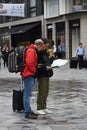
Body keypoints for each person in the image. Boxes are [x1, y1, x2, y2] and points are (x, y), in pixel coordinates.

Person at [21, 39, 43, 119]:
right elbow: (29, 63)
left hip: (28, 73)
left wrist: (36, 66)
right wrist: (34, 71)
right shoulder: (32, 51)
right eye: (41, 47)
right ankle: (27, 112)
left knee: (28, 94)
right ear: (39, 45)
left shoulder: (31, 50)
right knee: (27, 94)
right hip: (28, 74)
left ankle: (29, 110)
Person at [36, 38, 53, 115]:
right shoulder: (38, 52)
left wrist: (50, 66)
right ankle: (39, 107)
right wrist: (45, 67)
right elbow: (38, 64)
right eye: (45, 46)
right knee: (42, 90)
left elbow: (47, 62)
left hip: (47, 73)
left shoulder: (45, 52)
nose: (46, 47)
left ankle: (44, 106)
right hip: (41, 73)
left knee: (46, 90)